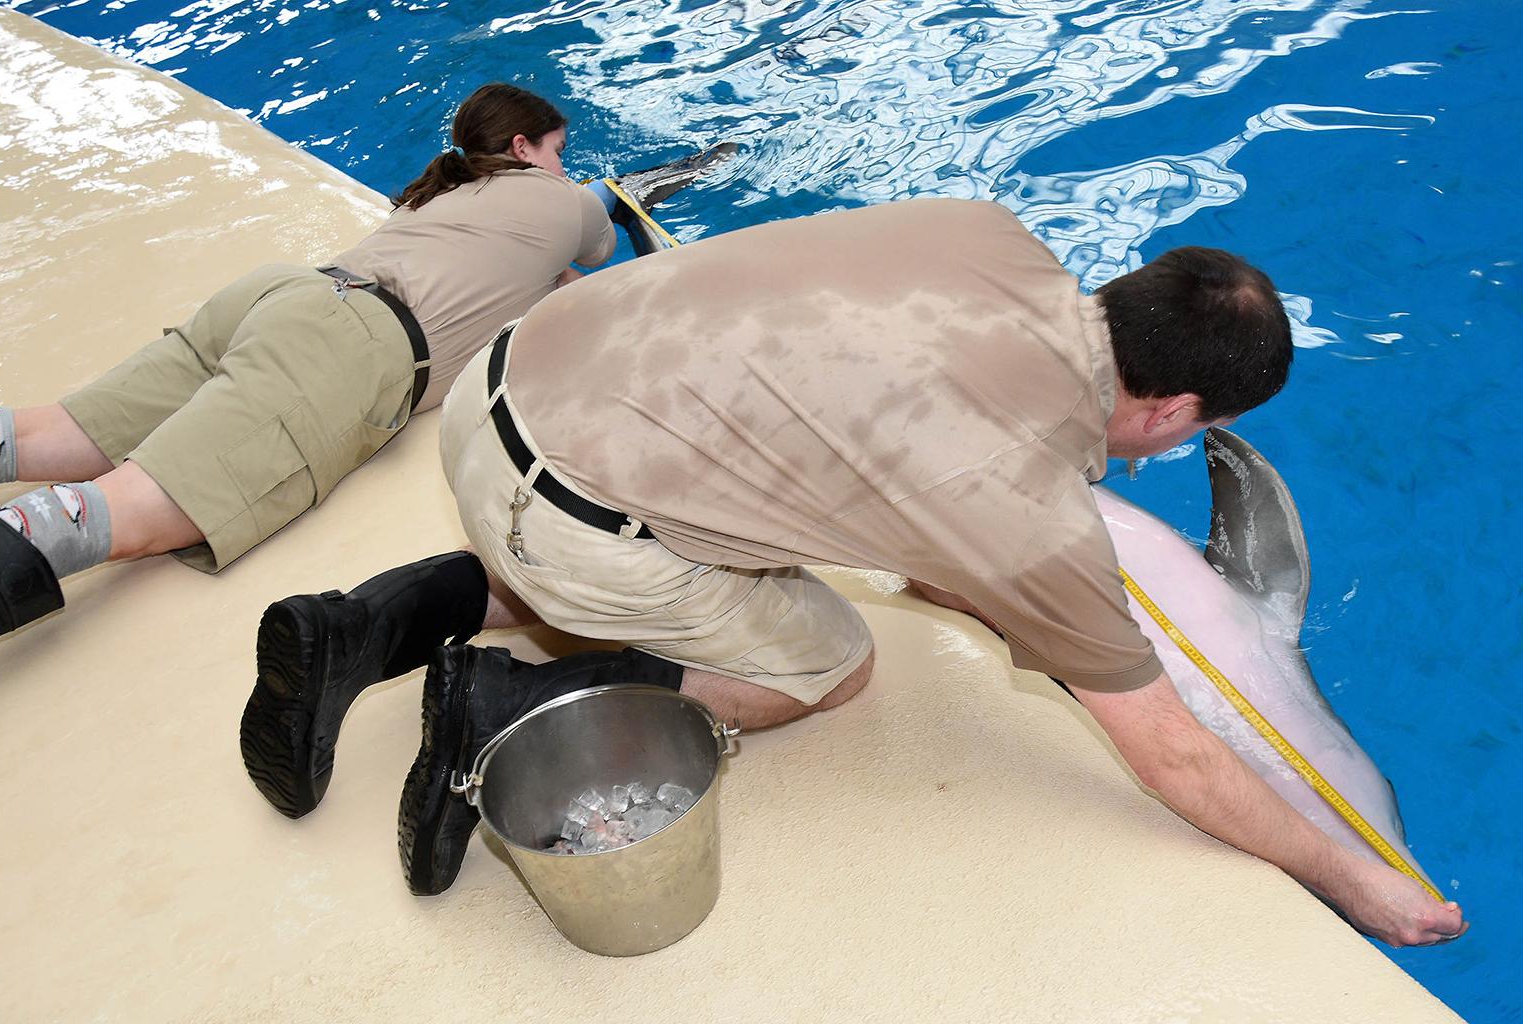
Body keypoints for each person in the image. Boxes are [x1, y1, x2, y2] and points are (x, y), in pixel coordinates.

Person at [238, 198, 1467, 947]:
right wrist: (1358, 881)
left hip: (504, 381)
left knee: (680, 526)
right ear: (1179, 408)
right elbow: (1174, 753)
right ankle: (494, 712)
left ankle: (364, 625)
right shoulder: (1031, 509)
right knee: (831, 664)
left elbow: (874, 430)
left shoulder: (987, 233)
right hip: (568, 512)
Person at [0, 82, 718, 642]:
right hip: (348, 348)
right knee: (118, 511)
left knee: (53, 434)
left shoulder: (440, 192)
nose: (566, 165)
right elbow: (602, 236)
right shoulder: (562, 202)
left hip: (282, 294)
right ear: (525, 148)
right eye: (559, 149)